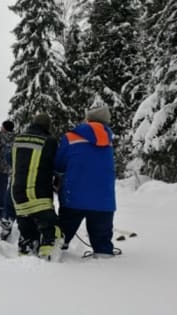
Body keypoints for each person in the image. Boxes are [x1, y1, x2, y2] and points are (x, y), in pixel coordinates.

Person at [54, 105, 117, 258]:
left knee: (59, 239)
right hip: (104, 200)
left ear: (88, 119)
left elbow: (58, 164)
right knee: (103, 249)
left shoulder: (71, 137)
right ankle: (105, 264)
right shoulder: (109, 139)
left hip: (73, 197)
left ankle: (56, 252)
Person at [11, 114, 62, 260]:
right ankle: (48, 252)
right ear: (47, 126)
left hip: (18, 195)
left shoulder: (17, 139)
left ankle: (25, 248)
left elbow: (10, 159)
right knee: (51, 229)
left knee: (26, 229)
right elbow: (57, 164)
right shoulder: (49, 141)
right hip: (38, 195)